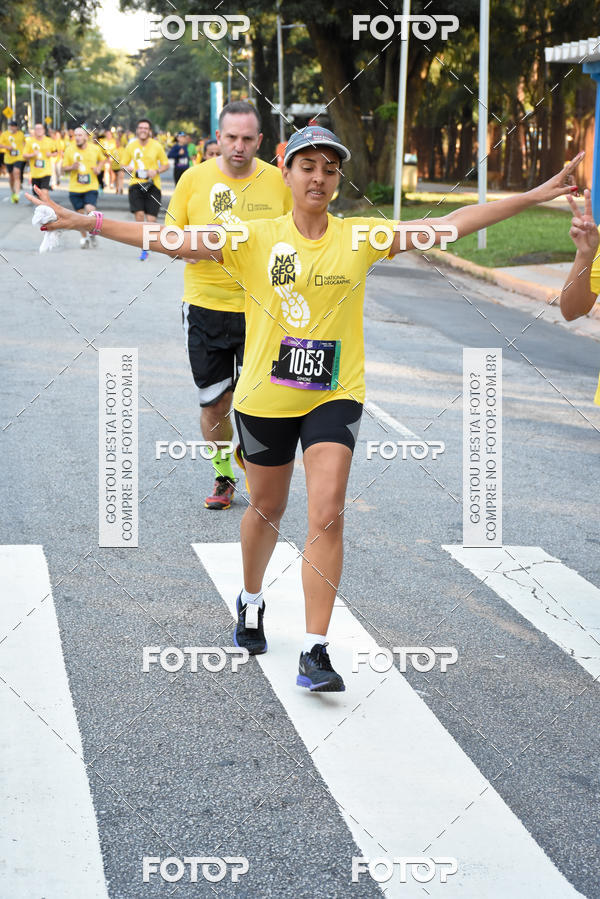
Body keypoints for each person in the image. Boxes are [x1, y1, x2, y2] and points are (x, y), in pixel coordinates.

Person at [27, 130, 583, 692]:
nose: (319, 177)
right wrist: (86, 223)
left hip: (333, 395)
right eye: (308, 166)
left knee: (328, 510)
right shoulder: (249, 237)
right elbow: (166, 236)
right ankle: (249, 597)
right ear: (286, 174)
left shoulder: (362, 236)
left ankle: (316, 651)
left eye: (330, 169)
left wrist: (538, 194)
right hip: (265, 398)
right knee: (267, 507)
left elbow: (456, 222)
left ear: (339, 180)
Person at [166, 100, 292, 511]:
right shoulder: (193, 180)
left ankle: (256, 465)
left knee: (263, 399)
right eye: (231, 138)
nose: (238, 146)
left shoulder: (278, 182)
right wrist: (203, 247)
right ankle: (224, 473)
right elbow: (172, 240)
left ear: (259, 140)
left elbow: (299, 236)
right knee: (216, 403)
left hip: (263, 309)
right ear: (218, 138)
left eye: (247, 139)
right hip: (205, 308)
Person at [120, 118, 169, 261]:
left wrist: (157, 171)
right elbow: (122, 164)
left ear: (150, 131)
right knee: (140, 216)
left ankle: (146, 245)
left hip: (153, 185)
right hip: (136, 185)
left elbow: (166, 165)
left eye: (146, 128)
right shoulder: (131, 146)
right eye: (140, 128)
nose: (143, 130)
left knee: (152, 220)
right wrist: (127, 167)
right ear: (137, 130)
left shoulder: (157, 146)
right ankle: (144, 248)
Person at [62, 126, 105, 248]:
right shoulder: (69, 149)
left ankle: (92, 232)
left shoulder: (95, 149)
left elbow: (102, 160)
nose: (77, 138)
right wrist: (72, 167)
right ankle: (84, 237)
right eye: (75, 135)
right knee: (80, 216)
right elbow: (64, 167)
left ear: (86, 137)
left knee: (90, 210)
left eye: (80, 135)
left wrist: (98, 168)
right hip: (75, 188)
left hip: (91, 186)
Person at [23, 123, 57, 192]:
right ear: (34, 131)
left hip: (46, 172)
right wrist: (32, 154)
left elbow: (56, 152)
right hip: (35, 173)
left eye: (40, 128)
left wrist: (50, 154)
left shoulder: (49, 141)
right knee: (38, 194)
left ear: (44, 130)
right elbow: (24, 155)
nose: (39, 130)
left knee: (44, 193)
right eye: (37, 129)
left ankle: (44, 202)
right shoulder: (30, 142)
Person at [0, 121, 26, 202]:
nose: (12, 128)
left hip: (19, 157)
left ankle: (17, 195)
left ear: (16, 127)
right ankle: (13, 192)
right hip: (8, 158)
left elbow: (24, 142)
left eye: (13, 126)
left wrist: (25, 151)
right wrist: (7, 147)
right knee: (11, 177)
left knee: (16, 173)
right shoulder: (5, 134)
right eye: (10, 126)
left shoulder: (21, 134)